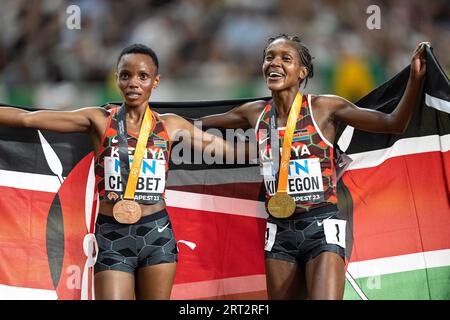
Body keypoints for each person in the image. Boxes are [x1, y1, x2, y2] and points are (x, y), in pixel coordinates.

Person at [199, 34, 428, 300]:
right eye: (269, 57)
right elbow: (195, 125)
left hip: (322, 226)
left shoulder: (324, 108)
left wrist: (415, 79)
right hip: (279, 232)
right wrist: (149, 118)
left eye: (286, 58)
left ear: (302, 72)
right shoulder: (254, 114)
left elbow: (393, 124)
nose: (274, 63)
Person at [0, 43, 231, 300]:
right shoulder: (99, 120)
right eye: (126, 75)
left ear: (155, 82)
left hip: (157, 235)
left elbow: (226, 150)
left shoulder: (170, 125)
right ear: (117, 79)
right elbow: (28, 119)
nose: (133, 82)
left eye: (142, 76)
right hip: (112, 237)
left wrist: (273, 147)